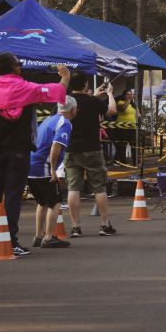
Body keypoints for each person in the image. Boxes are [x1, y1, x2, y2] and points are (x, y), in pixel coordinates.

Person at [0, 54, 69, 257]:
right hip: (18, 150)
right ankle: (11, 240)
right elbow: (57, 92)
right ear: (15, 68)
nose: (21, 66)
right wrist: (65, 76)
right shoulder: (27, 89)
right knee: (12, 196)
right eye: (19, 64)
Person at [64, 71, 117, 238]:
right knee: (99, 187)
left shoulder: (65, 101)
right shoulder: (93, 101)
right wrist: (109, 94)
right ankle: (104, 224)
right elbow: (112, 110)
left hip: (70, 148)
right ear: (86, 84)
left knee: (73, 187)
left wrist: (94, 95)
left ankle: (75, 226)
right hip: (92, 148)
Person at [28, 96, 78, 249]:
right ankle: (49, 238)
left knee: (42, 202)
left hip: (31, 165)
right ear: (73, 109)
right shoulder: (65, 123)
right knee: (55, 202)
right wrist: (53, 168)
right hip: (44, 165)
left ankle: (38, 236)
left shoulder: (49, 119)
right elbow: (56, 145)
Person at [113, 88, 140, 165]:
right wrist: (129, 100)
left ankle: (135, 162)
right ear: (124, 95)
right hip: (122, 127)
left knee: (134, 145)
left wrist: (137, 113)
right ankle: (122, 162)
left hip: (132, 127)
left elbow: (138, 115)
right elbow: (122, 109)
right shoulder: (120, 102)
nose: (130, 96)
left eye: (131, 94)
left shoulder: (133, 105)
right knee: (122, 146)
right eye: (128, 94)